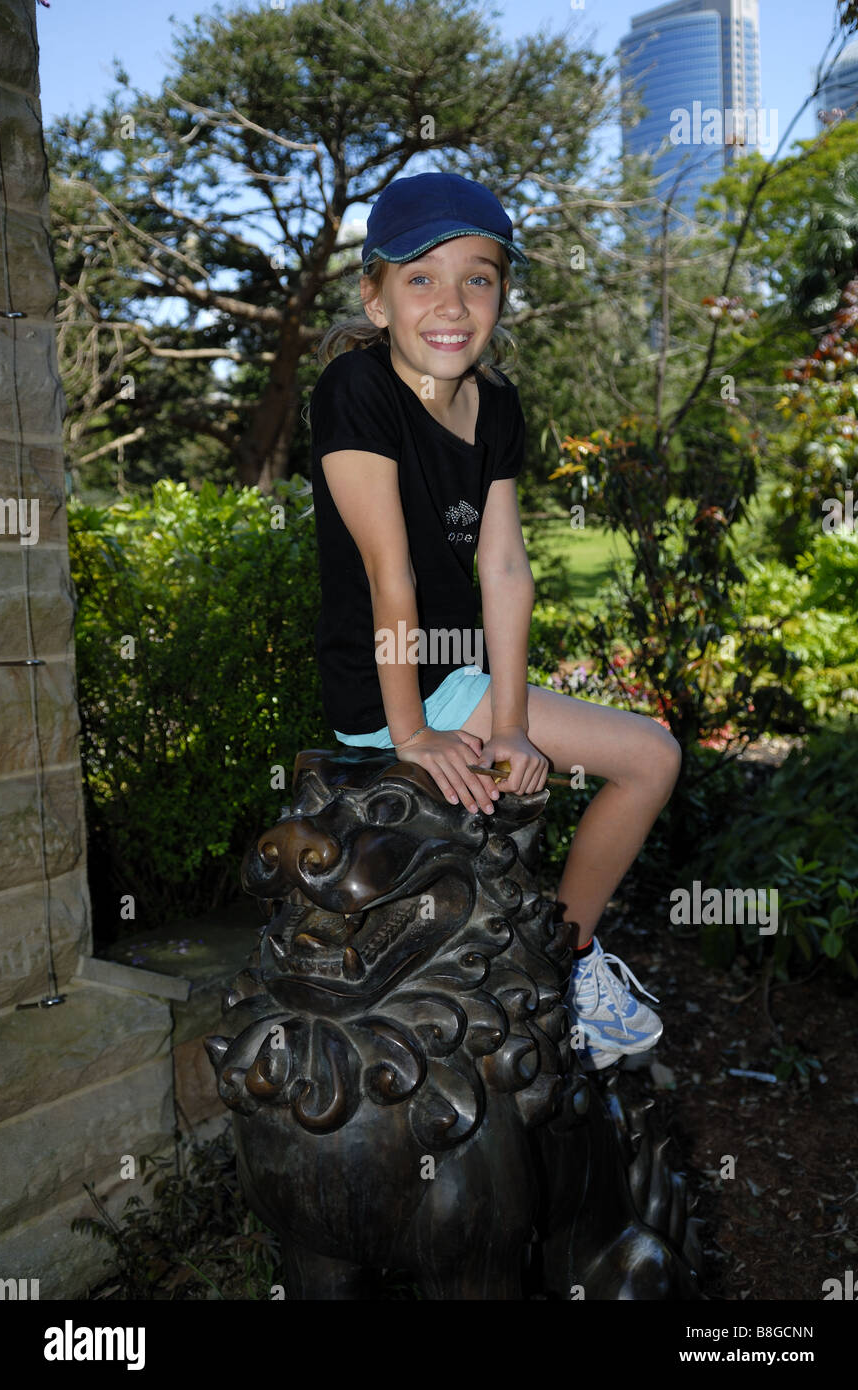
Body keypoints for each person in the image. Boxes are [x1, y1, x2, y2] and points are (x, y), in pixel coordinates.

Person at [308, 171, 680, 1070]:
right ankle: (568, 963)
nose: (451, 302)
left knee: (644, 756)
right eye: (420, 277)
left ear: (503, 294)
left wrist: (511, 724)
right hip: (386, 686)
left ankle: (564, 956)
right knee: (650, 757)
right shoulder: (354, 390)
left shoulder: (497, 404)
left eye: (477, 277)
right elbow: (387, 572)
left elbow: (504, 567)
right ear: (376, 295)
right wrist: (413, 735)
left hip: (460, 679)